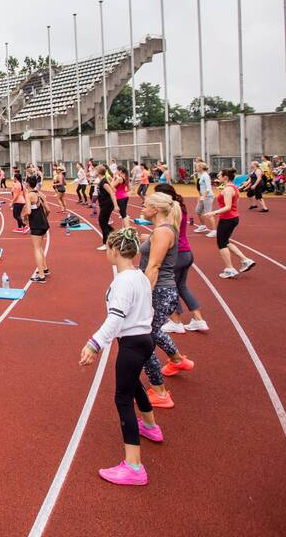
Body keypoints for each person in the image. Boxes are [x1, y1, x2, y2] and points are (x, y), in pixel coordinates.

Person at [80, 227, 161, 486]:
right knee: (133, 383)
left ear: (115, 250)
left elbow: (116, 317)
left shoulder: (124, 281)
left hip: (132, 342)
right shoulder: (138, 276)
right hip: (145, 339)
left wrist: (94, 344)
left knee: (122, 398)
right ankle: (150, 426)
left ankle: (134, 466)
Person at [135, 192, 193, 409]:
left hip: (158, 292)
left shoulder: (162, 232)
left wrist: (143, 294)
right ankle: (178, 360)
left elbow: (154, 266)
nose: (142, 207)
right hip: (164, 292)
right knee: (154, 331)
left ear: (156, 209)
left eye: (146, 205)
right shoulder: (162, 230)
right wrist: (147, 240)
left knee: (143, 339)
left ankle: (159, 392)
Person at [154, 184, 209, 333]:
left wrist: (152, 237)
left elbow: (168, 232)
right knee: (181, 286)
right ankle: (198, 319)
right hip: (186, 252)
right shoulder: (180, 208)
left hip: (176, 254)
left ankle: (176, 321)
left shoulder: (171, 211)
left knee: (170, 287)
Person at [204, 169, 256, 279]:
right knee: (225, 241)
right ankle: (245, 260)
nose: (218, 177)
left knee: (221, 244)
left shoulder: (228, 190)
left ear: (225, 177)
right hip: (233, 217)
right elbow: (234, 204)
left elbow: (227, 207)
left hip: (227, 219)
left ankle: (229, 268)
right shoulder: (234, 188)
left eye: (219, 175)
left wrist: (214, 212)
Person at [25, 175, 50, 282]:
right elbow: (48, 210)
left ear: (27, 184)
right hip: (44, 223)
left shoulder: (28, 195)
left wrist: (24, 216)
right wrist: (44, 219)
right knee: (39, 247)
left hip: (36, 224)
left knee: (36, 249)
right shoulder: (40, 194)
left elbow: (29, 211)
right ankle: (45, 269)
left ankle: (41, 276)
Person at [193, 160, 216, 237]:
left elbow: (208, 188)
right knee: (198, 211)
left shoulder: (206, 176)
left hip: (208, 196)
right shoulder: (201, 175)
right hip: (203, 197)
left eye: (197, 167)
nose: (195, 168)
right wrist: (200, 196)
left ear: (201, 168)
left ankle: (214, 231)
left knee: (208, 213)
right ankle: (203, 226)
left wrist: (203, 197)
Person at [96, 164, 116, 249]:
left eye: (96, 170)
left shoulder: (104, 182)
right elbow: (113, 189)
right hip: (104, 204)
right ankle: (114, 235)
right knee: (103, 222)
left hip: (107, 204)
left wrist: (116, 206)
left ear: (99, 172)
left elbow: (112, 192)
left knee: (102, 222)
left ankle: (106, 243)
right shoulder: (103, 180)